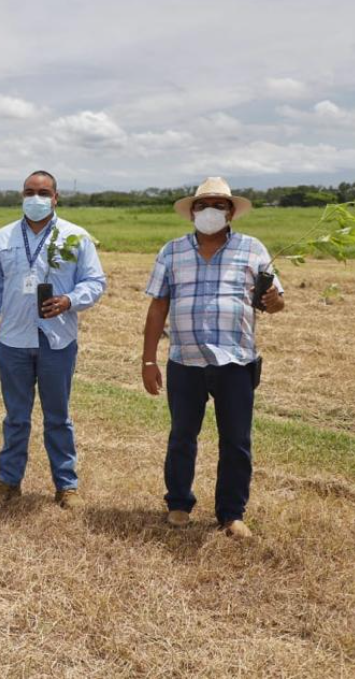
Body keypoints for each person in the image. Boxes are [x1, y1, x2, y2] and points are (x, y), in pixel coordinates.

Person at [142, 176, 284, 538]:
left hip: (236, 361)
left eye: (219, 205)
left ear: (231, 211)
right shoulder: (172, 251)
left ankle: (231, 513)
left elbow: (276, 302)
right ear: (192, 212)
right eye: (203, 205)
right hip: (185, 360)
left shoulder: (253, 250)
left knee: (236, 440)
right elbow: (159, 306)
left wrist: (273, 301)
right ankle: (178, 503)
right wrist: (148, 360)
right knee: (182, 436)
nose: (210, 212)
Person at [0, 170, 106, 509]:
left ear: (56, 197)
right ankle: (8, 481)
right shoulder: (3, 238)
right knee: (16, 417)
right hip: (12, 340)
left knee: (57, 416)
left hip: (57, 340)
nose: (36, 198)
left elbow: (95, 283)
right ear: (21, 195)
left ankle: (67, 486)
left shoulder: (75, 237)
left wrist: (69, 300)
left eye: (43, 192)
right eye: (29, 191)